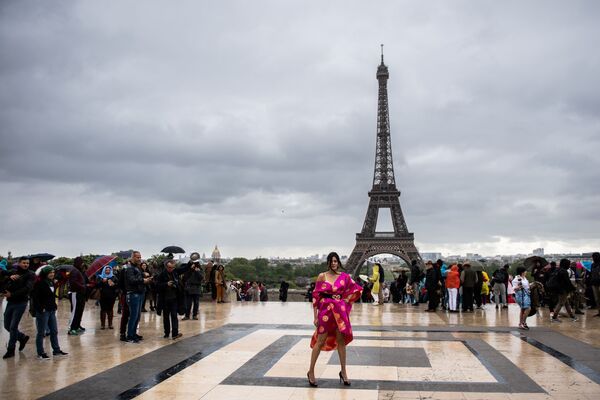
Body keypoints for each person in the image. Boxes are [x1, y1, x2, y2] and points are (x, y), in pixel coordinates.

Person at [307, 252, 361, 387]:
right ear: (328, 262)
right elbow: (316, 297)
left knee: (341, 342)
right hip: (325, 312)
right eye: (331, 261)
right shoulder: (322, 276)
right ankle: (311, 371)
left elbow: (355, 290)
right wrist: (315, 317)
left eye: (336, 261)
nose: (334, 263)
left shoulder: (344, 277)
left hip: (339, 313)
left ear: (339, 262)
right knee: (320, 341)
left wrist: (345, 302)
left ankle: (344, 372)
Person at [31, 266, 68, 359]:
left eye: (53, 272)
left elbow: (51, 296)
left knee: (54, 331)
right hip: (43, 311)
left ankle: (56, 350)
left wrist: (54, 306)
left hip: (51, 309)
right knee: (41, 332)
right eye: (50, 272)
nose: (52, 274)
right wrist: (40, 308)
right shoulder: (39, 283)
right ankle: (40, 352)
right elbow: (35, 297)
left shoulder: (51, 283)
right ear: (45, 274)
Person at [1, 257, 35, 359]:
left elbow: (27, 289)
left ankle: (11, 350)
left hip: (21, 303)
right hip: (10, 302)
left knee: (13, 326)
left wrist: (12, 295)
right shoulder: (13, 272)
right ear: (19, 263)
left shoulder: (30, 274)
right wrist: (9, 277)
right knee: (7, 325)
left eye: (27, 263)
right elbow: (2, 276)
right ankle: (22, 337)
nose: (26, 265)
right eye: (24, 263)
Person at [124, 251, 151, 343]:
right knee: (133, 316)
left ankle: (134, 333)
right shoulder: (130, 268)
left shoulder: (136, 267)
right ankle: (130, 335)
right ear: (132, 257)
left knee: (137, 316)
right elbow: (131, 280)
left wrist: (144, 275)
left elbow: (137, 277)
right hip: (133, 294)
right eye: (137, 257)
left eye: (140, 257)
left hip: (139, 293)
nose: (139, 259)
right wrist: (143, 280)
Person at [155, 260, 187, 339]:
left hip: (174, 299)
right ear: (166, 267)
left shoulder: (175, 273)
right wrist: (166, 284)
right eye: (169, 267)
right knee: (166, 317)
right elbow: (157, 287)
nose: (171, 269)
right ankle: (166, 333)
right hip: (165, 299)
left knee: (174, 316)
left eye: (172, 267)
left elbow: (184, 269)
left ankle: (175, 334)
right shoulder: (161, 275)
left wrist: (190, 263)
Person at [551, 259, 578, 323]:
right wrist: (574, 288)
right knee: (560, 303)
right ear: (566, 264)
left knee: (566, 303)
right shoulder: (564, 272)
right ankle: (554, 317)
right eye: (568, 264)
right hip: (563, 290)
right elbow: (568, 282)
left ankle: (572, 316)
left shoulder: (558, 270)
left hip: (558, 289)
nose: (569, 266)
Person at [67, 257, 87, 335]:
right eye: (81, 263)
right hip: (75, 293)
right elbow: (73, 282)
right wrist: (83, 286)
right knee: (75, 311)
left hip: (80, 293)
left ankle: (77, 326)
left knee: (79, 311)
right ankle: (71, 328)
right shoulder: (74, 271)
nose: (82, 264)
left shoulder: (78, 270)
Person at [97, 265, 118, 330]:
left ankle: (110, 324)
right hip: (102, 296)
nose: (108, 271)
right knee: (103, 310)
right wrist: (102, 281)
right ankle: (102, 325)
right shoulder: (100, 277)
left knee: (110, 310)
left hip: (111, 296)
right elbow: (97, 285)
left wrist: (113, 284)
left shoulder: (113, 277)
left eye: (109, 270)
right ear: (104, 271)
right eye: (106, 270)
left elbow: (117, 285)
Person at [589, 252, 600, 317]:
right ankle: (599, 311)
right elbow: (592, 274)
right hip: (594, 283)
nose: (593, 258)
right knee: (597, 299)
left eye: (594, 257)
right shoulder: (592, 265)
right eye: (593, 257)